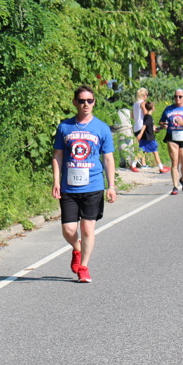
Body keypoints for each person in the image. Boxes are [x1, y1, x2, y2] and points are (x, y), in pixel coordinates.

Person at [52, 85, 117, 282]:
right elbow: (58, 155)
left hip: (93, 185)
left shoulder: (101, 128)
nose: (86, 104)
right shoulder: (65, 127)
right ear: (75, 103)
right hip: (69, 186)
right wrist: (56, 181)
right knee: (69, 230)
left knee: (88, 228)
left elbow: (108, 158)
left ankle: (84, 267)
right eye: (82, 101)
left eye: (90, 101)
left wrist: (111, 185)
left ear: (94, 102)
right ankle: (77, 248)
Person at [158, 89, 183, 195]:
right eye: (176, 96)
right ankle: (175, 186)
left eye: (180, 96)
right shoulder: (168, 109)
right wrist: (163, 125)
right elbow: (161, 121)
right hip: (172, 136)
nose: (178, 98)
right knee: (174, 162)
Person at [134, 100, 170, 173]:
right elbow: (144, 126)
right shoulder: (149, 117)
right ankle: (161, 167)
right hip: (149, 138)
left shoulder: (146, 116)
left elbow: (150, 127)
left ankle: (133, 165)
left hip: (146, 137)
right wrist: (140, 134)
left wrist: (161, 127)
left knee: (141, 151)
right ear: (153, 108)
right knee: (155, 151)